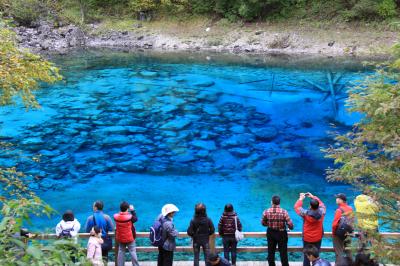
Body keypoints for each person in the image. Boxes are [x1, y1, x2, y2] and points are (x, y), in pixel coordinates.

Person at [294, 192, 326, 266]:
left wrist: (301, 199)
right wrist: (313, 197)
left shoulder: (305, 214)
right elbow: (322, 204)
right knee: (316, 255)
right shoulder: (322, 212)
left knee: (306, 256)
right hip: (318, 237)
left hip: (307, 238)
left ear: (310, 206)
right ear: (318, 206)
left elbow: (297, 207)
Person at [261, 195, 294, 266]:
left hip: (271, 232)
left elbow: (263, 223)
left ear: (272, 202)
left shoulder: (266, 212)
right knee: (283, 253)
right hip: (282, 233)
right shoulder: (284, 212)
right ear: (279, 203)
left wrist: (269, 224)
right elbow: (291, 225)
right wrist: (288, 227)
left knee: (271, 252)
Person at [114, 201, 139, 266]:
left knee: (121, 252)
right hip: (130, 238)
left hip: (120, 238)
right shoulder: (130, 217)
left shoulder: (116, 217)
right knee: (133, 252)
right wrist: (133, 210)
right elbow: (136, 219)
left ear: (120, 208)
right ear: (127, 209)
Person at [332, 193, 353, 265]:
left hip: (339, 234)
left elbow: (335, 224)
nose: (336, 199)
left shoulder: (339, 210)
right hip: (348, 232)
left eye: (337, 198)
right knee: (349, 251)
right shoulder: (350, 208)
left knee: (339, 252)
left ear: (341, 200)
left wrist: (334, 233)